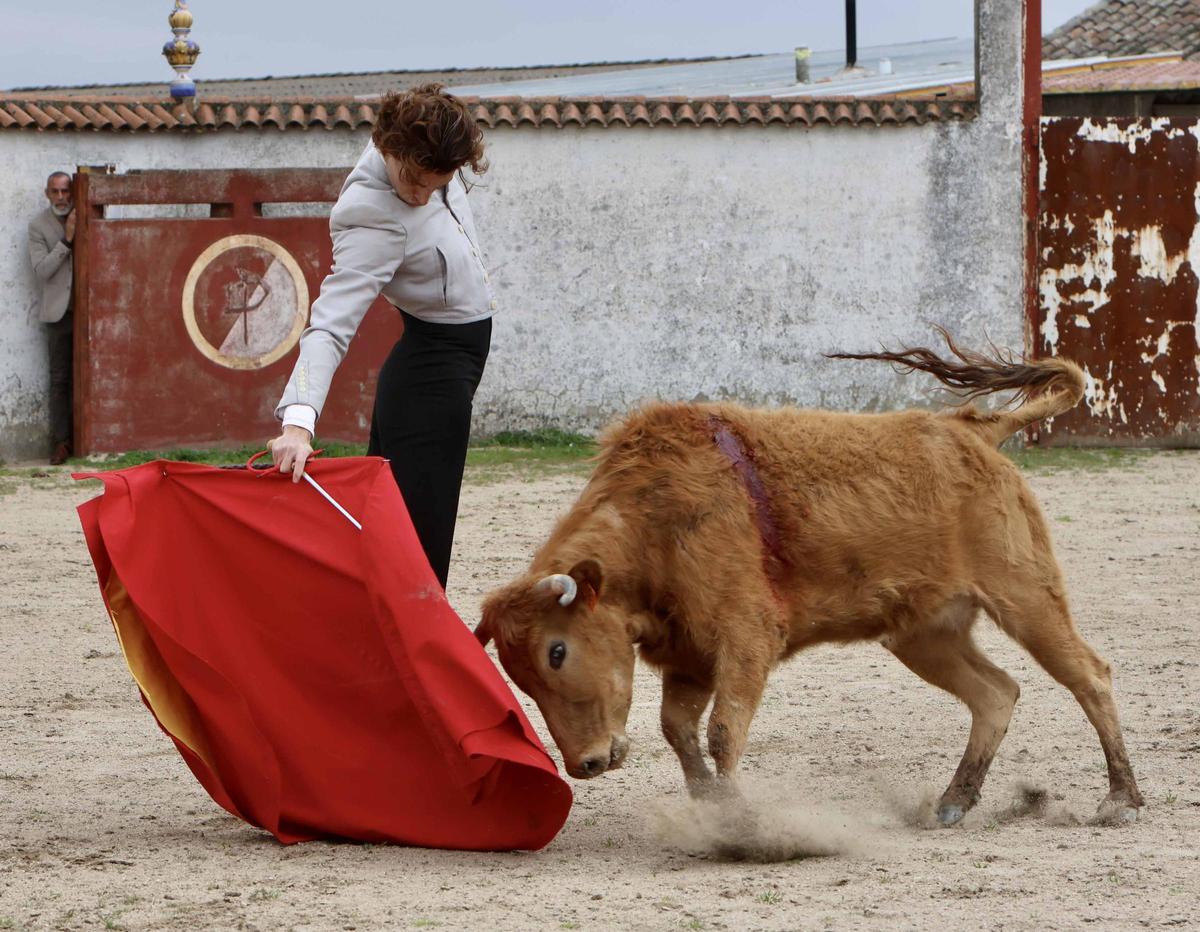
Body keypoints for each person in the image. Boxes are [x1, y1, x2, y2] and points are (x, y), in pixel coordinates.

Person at [269, 84, 495, 590]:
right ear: (387, 149)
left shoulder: (433, 146)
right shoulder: (369, 213)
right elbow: (329, 324)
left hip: (443, 370)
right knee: (418, 553)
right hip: (430, 377)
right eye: (411, 181)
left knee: (397, 538)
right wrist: (299, 424)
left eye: (435, 184)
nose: (419, 195)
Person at [28, 171, 76, 465]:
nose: (61, 197)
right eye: (55, 192)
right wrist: (67, 240)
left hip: (88, 313)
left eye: (65, 191)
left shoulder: (84, 216)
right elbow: (42, 270)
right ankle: (62, 442)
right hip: (58, 313)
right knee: (59, 380)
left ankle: (85, 439)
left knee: (88, 378)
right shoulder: (38, 226)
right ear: (47, 194)